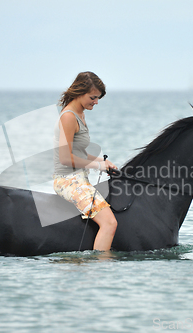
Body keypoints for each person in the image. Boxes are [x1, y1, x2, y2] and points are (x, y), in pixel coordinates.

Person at [53, 72, 118, 251]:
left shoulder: (80, 113)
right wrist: (97, 165)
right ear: (80, 92)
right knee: (109, 223)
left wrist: (103, 162)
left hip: (80, 178)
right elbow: (65, 158)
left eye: (98, 98)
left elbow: (78, 152)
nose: (96, 102)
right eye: (93, 97)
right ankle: (99, 267)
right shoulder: (68, 116)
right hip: (68, 180)